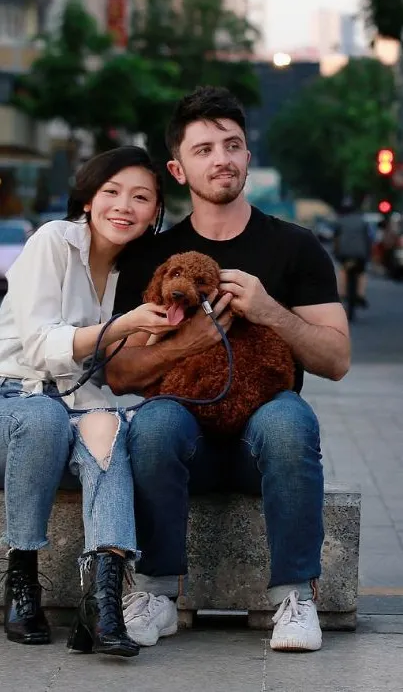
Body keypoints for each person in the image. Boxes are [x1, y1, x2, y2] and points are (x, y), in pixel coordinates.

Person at [107, 86, 351, 652]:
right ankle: (156, 593)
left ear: (247, 155)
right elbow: (120, 375)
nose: (221, 159)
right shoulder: (152, 256)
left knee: (291, 421)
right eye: (204, 149)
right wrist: (187, 342)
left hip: (261, 438)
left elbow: (336, 360)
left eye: (233, 145)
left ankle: (295, 598)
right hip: (184, 440)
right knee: (153, 423)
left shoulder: (295, 246)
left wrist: (271, 313)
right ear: (178, 168)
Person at [0, 146, 179, 657]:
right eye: (112, 192)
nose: (125, 206)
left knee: (108, 432)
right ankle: (21, 584)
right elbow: (38, 347)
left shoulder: (136, 271)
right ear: (88, 198)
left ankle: (101, 604)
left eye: (141, 198)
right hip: (13, 396)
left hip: (75, 404)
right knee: (42, 421)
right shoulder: (53, 241)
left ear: (154, 213)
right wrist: (119, 327)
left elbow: (109, 380)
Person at [333, 198, 373, 308]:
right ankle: (361, 294)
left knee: (343, 270)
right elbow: (368, 239)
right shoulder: (363, 222)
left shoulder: (340, 221)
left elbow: (336, 239)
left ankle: (342, 293)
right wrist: (368, 254)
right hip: (360, 254)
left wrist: (336, 252)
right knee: (361, 272)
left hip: (345, 254)